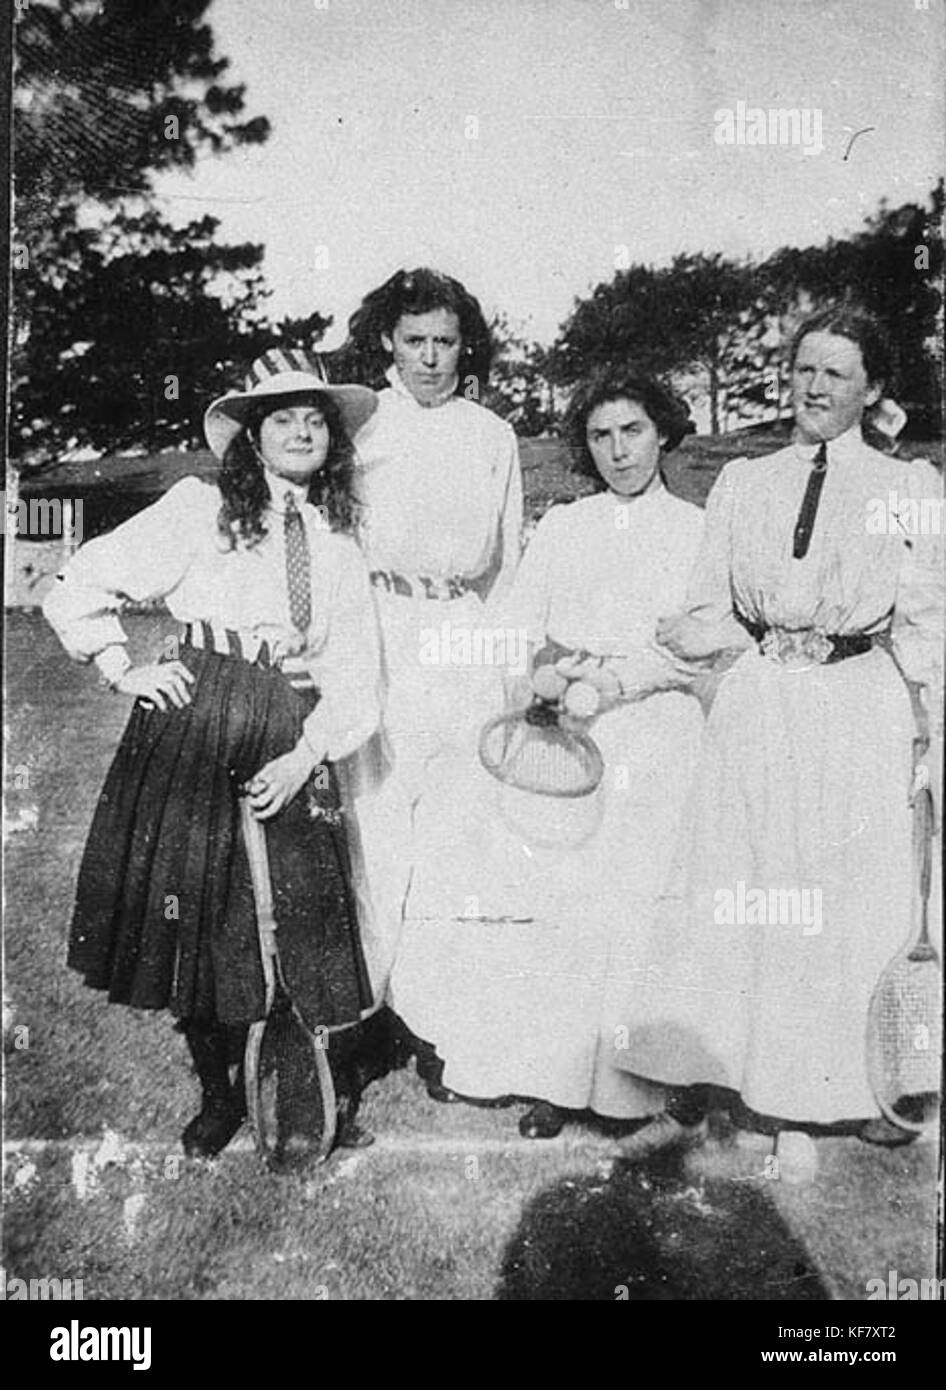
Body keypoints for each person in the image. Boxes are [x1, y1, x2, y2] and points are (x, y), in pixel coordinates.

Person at [613, 307, 944, 1157]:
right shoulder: (746, 483)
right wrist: (717, 645)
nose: (814, 387)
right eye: (803, 369)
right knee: (754, 888)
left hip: (857, 705)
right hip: (762, 706)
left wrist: (930, 735)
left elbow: (928, 623)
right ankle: (757, 1082)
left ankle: (868, 1081)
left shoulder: (905, 489)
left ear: (872, 390)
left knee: (851, 899)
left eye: (836, 373)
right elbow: (706, 608)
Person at [43, 349, 384, 1160]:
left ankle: (303, 1081)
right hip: (199, 715)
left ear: (330, 438)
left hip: (290, 722)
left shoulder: (337, 534)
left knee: (297, 908)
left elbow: (357, 669)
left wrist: (307, 755)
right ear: (252, 436)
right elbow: (83, 581)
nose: (301, 431)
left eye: (314, 419)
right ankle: (219, 1094)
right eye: (282, 418)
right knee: (198, 909)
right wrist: (124, 666)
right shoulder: (200, 507)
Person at [390, 370, 708, 1136]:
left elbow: (696, 647)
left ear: (663, 432)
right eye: (600, 436)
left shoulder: (699, 529)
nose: (618, 450)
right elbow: (520, 622)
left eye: (632, 430)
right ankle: (555, 1079)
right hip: (568, 736)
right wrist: (541, 672)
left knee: (643, 908)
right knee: (559, 908)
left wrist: (615, 683)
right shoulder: (566, 525)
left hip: (657, 733)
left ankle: (646, 1082)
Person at [342, 267, 523, 1094]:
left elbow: (508, 566)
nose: (428, 357)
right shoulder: (360, 424)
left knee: (456, 836)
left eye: (444, 341)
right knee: (373, 831)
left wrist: (507, 670)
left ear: (464, 345)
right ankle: (361, 1021)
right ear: (387, 339)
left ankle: (439, 1027)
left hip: (462, 639)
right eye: (413, 340)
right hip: (377, 629)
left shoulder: (492, 435)